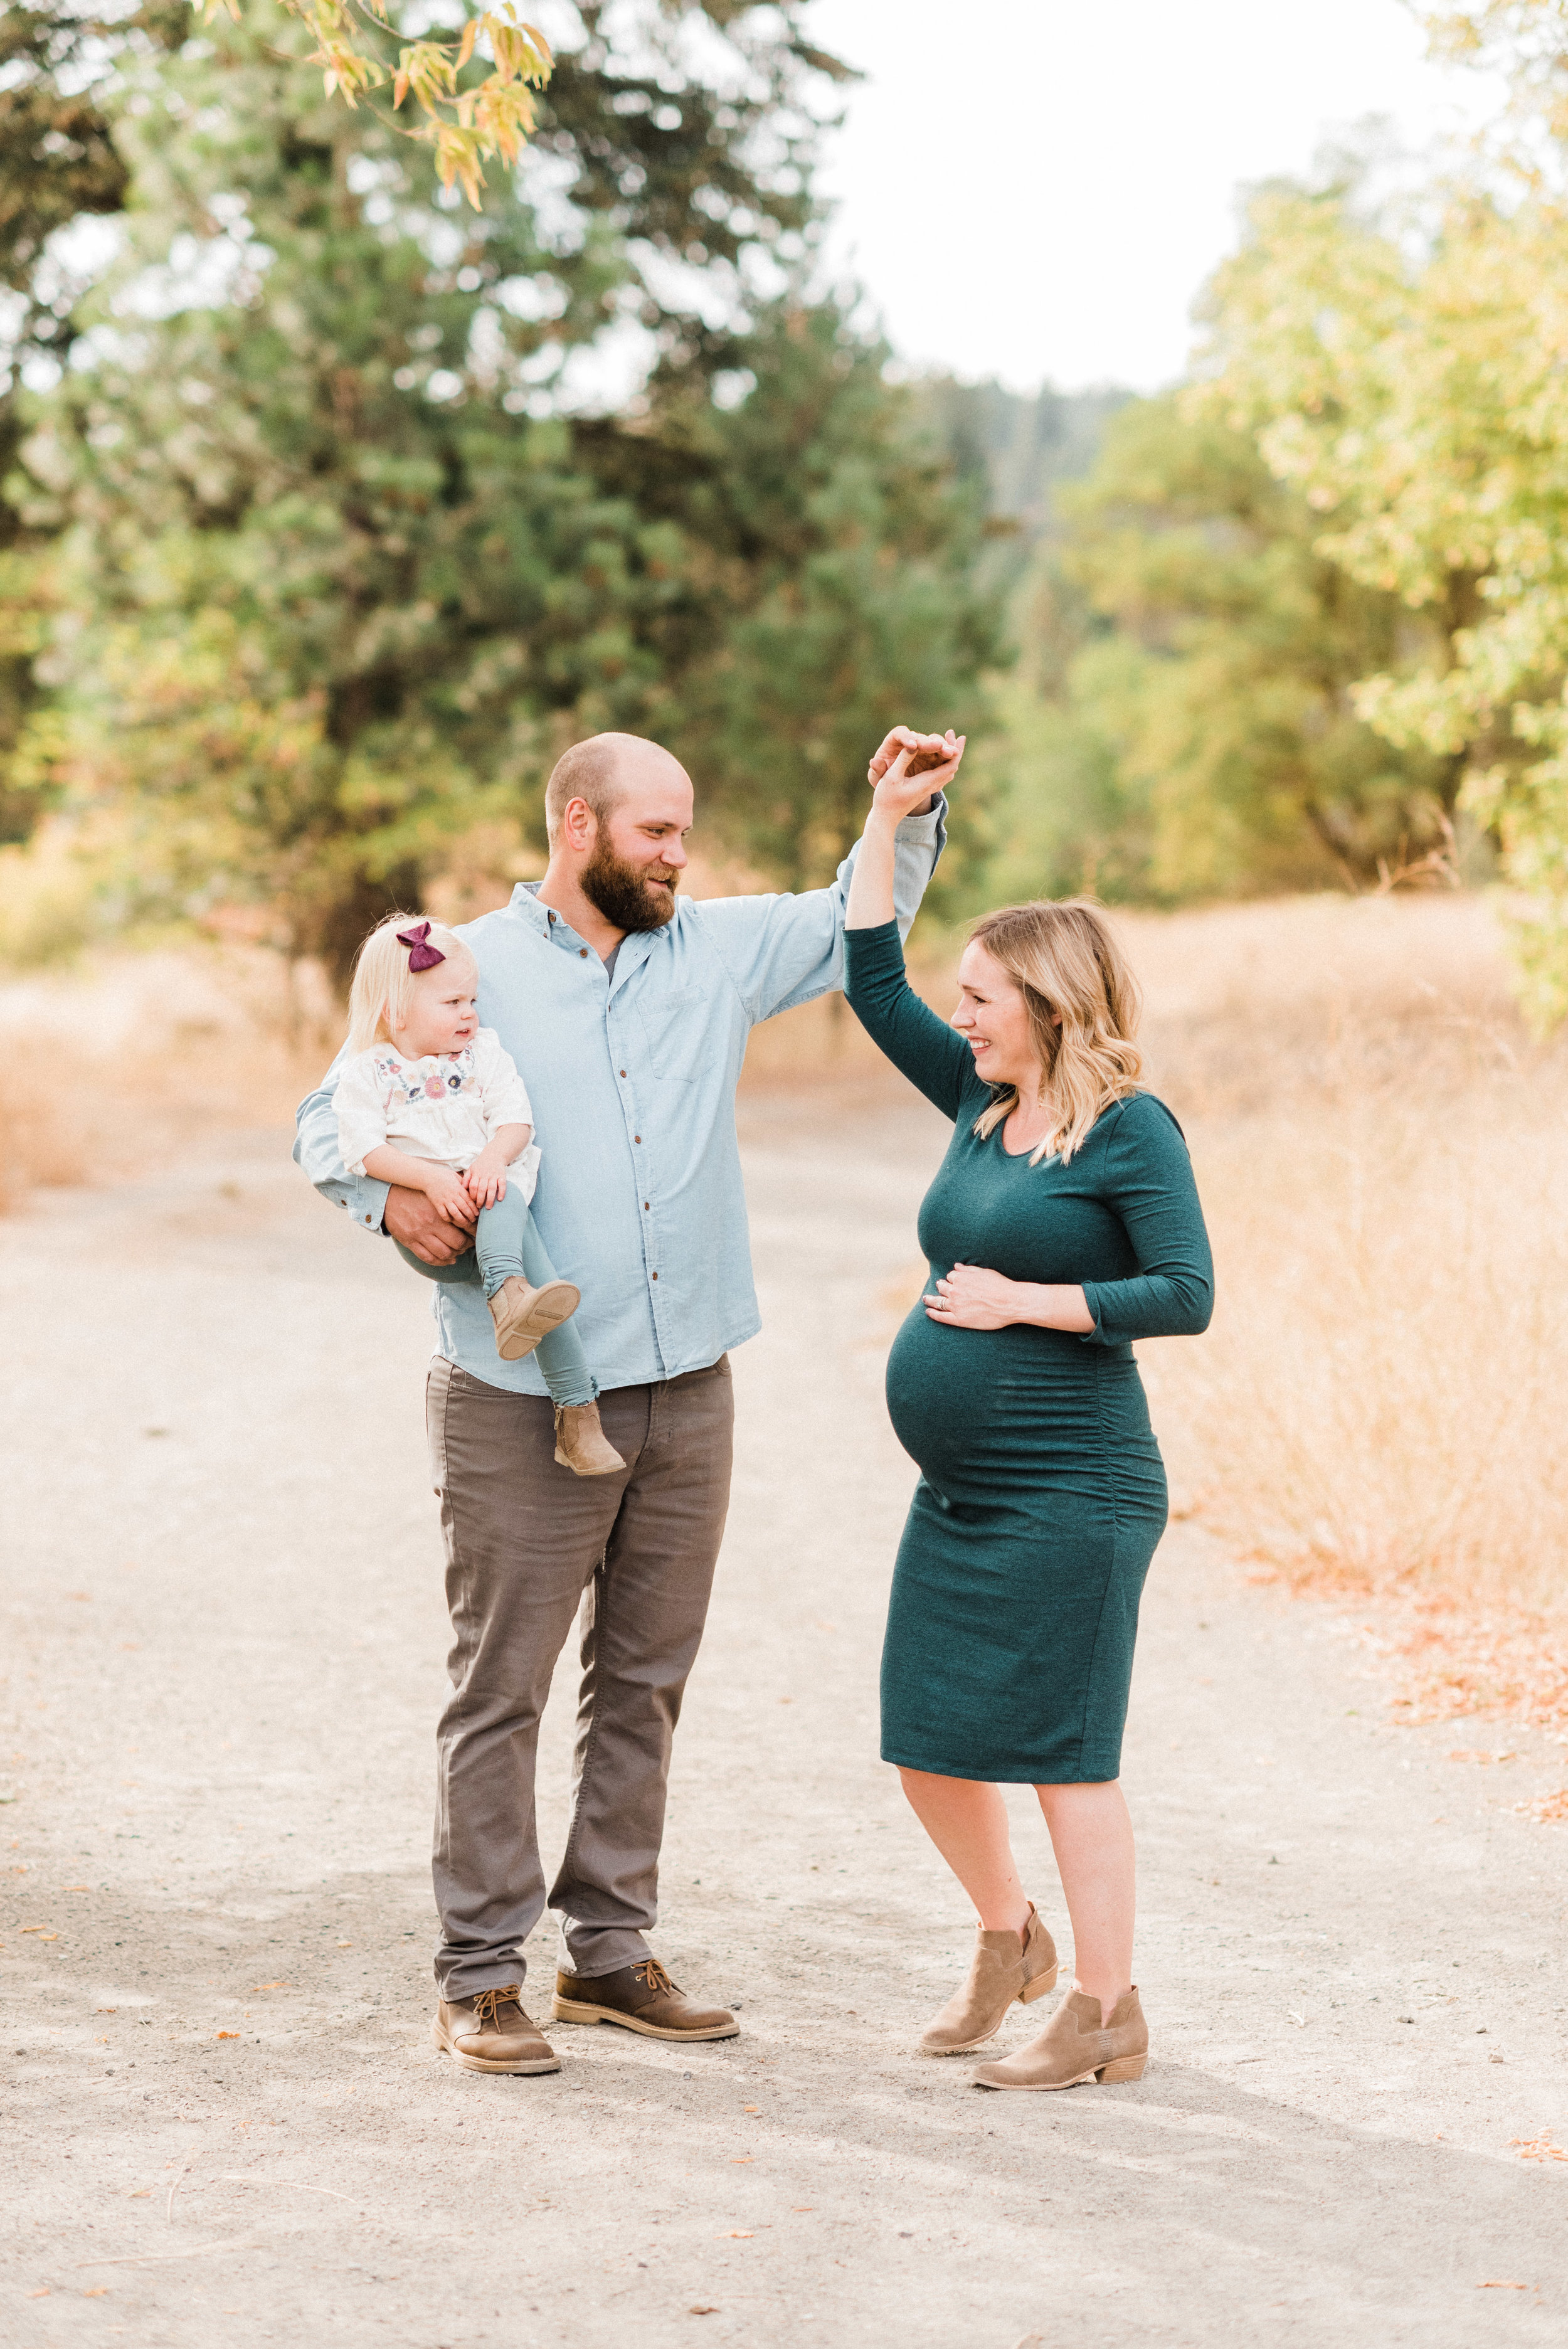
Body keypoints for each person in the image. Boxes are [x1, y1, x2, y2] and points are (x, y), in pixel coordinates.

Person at [295, 724, 961, 2077]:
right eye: (655, 831)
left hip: (689, 1374)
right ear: (576, 826)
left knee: (645, 1680)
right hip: (516, 1389)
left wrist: (901, 809)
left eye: (684, 829)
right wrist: (392, 1201)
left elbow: (855, 913)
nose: (680, 853)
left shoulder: (712, 948)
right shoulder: (461, 964)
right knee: (504, 1685)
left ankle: (608, 1953)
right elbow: (328, 1117)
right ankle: (481, 1977)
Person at [842, 745, 1212, 2094]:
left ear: (1048, 1002)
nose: (964, 1014)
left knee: (1064, 1759)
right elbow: (870, 977)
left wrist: (1028, 1302)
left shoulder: (1127, 1130)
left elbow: (1185, 1293)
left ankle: (1106, 2009)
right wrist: (888, 817)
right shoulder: (978, 1098)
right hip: (963, 1498)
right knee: (925, 1745)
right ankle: (1009, 1942)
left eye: (982, 996)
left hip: (1077, 1493)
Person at [333, 914, 622, 1476]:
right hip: (435, 1229)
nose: (470, 1013)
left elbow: (516, 1121)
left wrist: (491, 1158)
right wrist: (428, 1179)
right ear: (395, 1012)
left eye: (472, 999)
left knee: (531, 1257)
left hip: (494, 1205)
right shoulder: (368, 1072)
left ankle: (575, 1412)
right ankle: (516, 1309)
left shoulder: (483, 1054)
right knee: (530, 1271)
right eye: (452, 1003)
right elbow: (362, 1149)